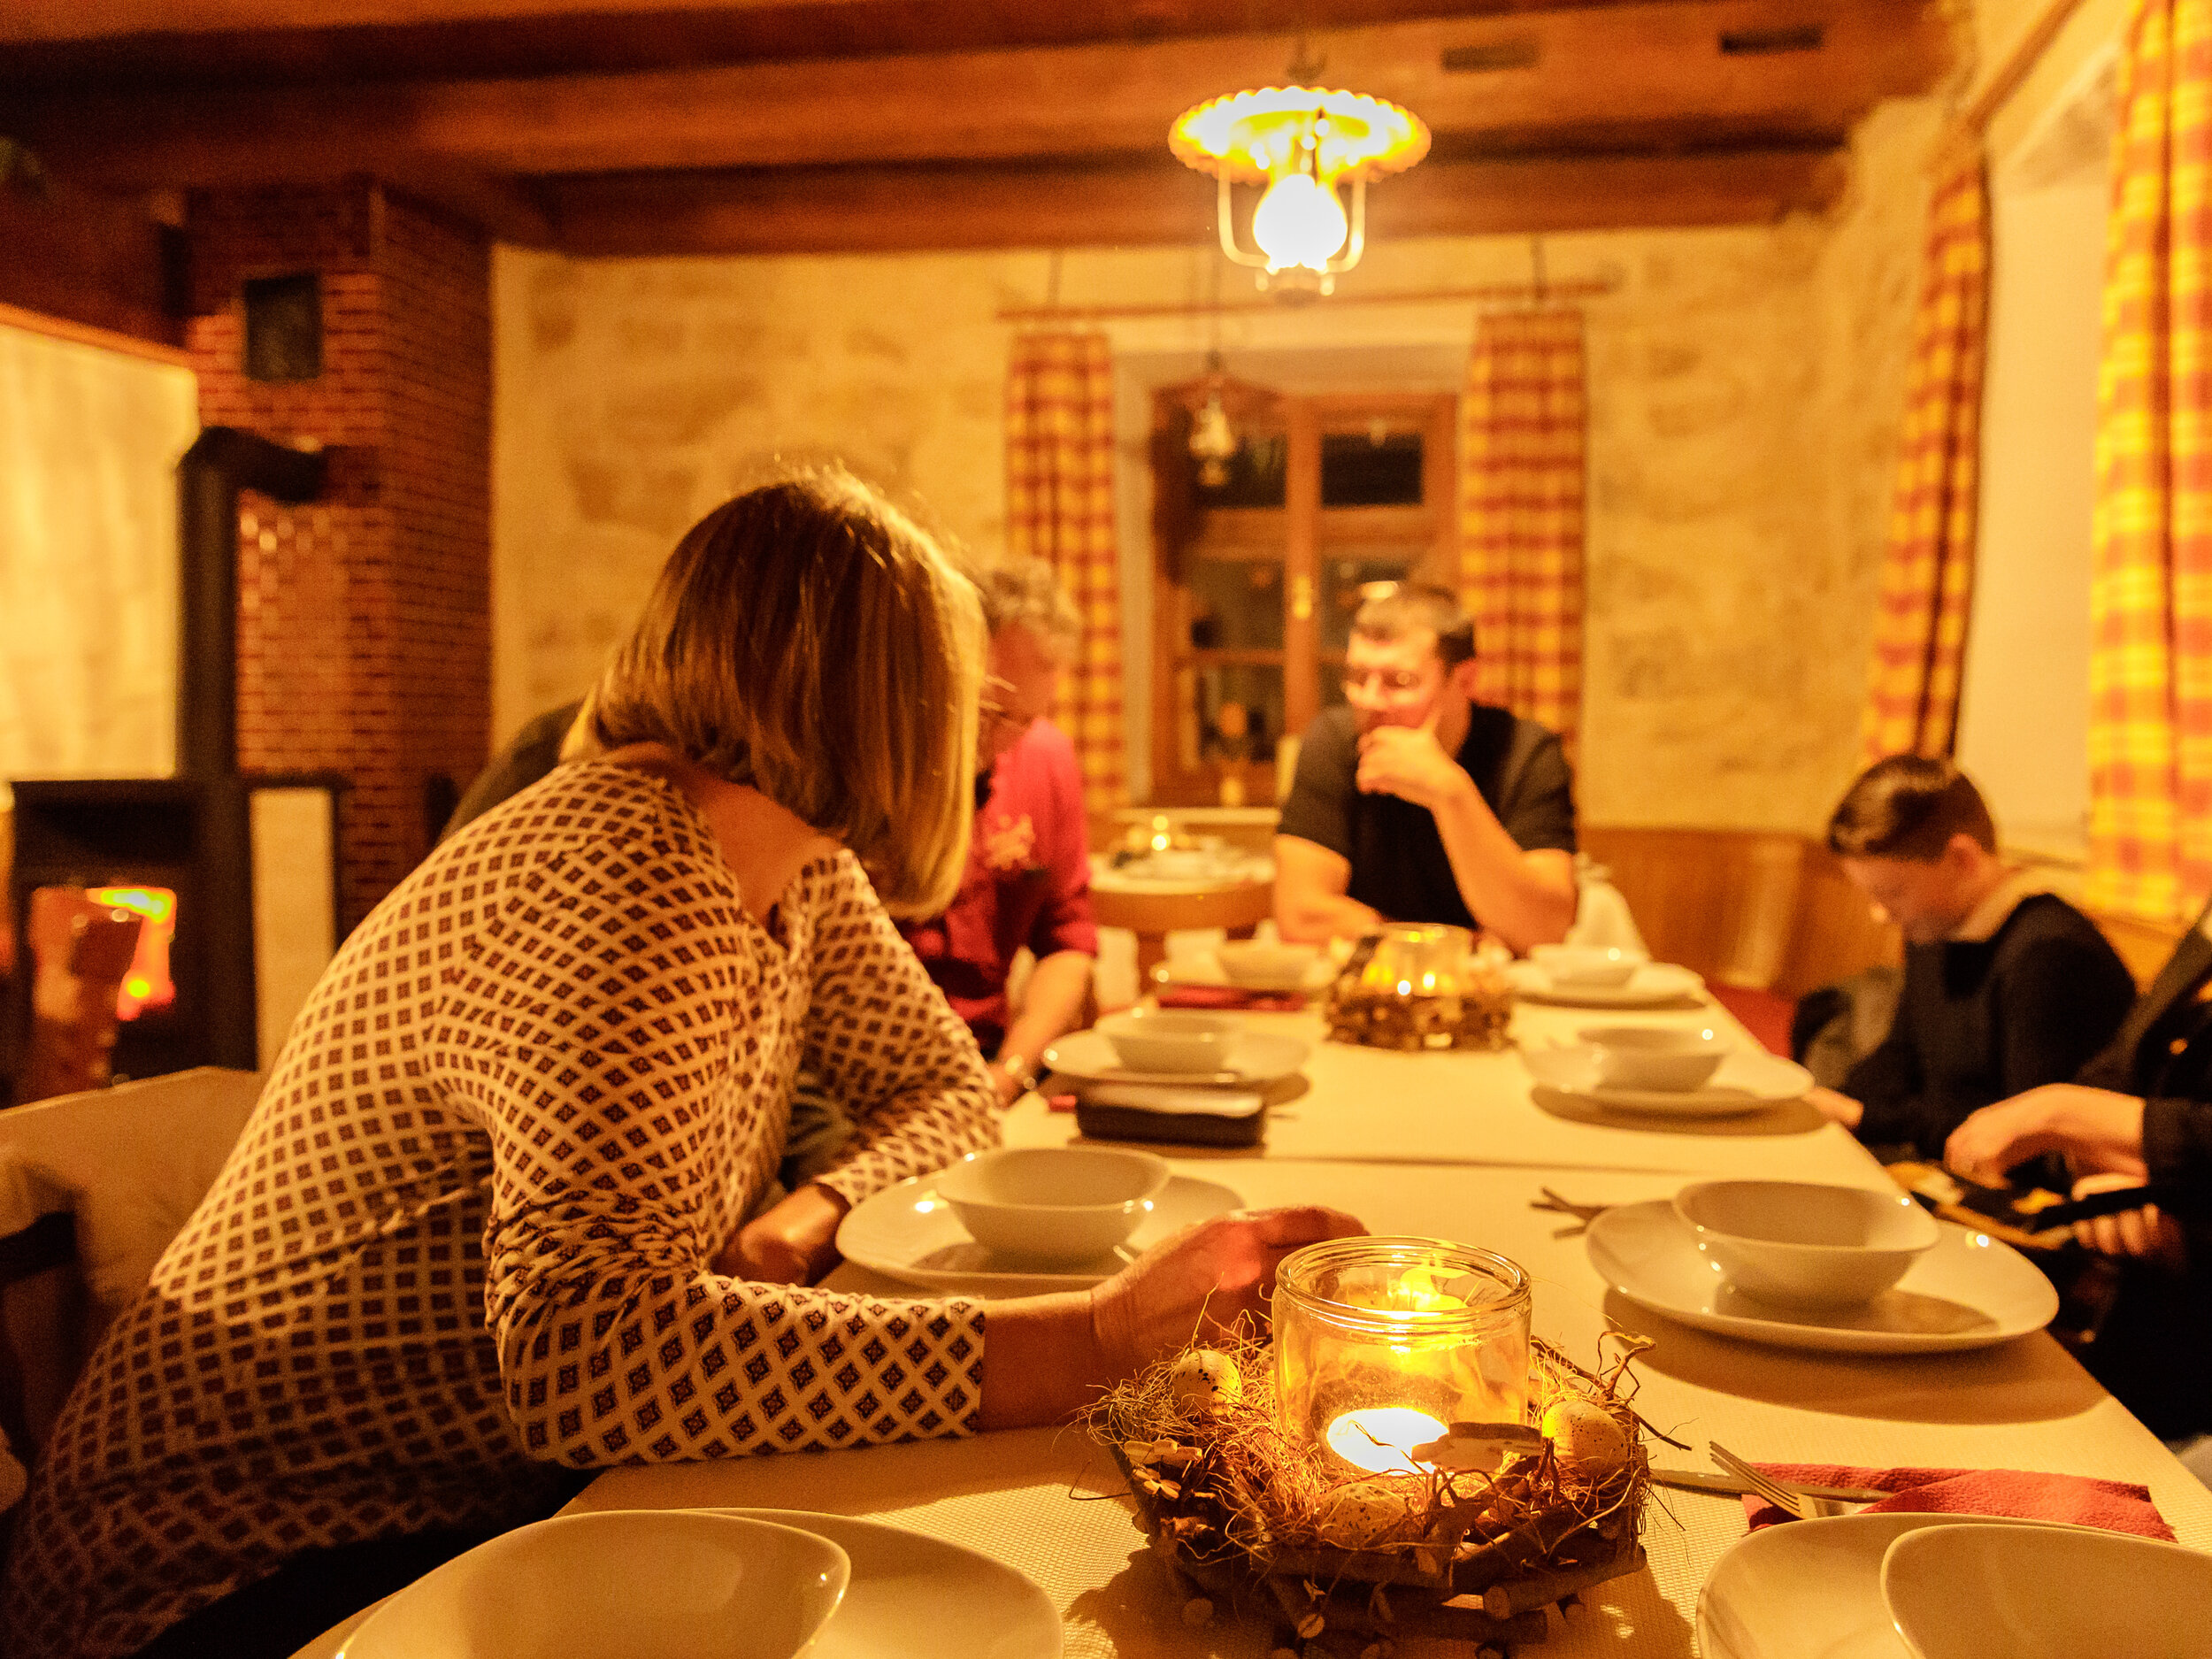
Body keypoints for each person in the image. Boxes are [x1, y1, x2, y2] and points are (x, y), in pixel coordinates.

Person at [3, 472, 1360, 1659]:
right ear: (893, 704)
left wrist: (813, 1211)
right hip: (223, 1579)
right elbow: (588, 1354)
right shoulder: (622, 873)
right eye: (963, 694)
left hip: (463, 1500)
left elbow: (945, 1088)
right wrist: (1086, 1338)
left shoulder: (788, 866)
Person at [1944, 895, 2212, 1441]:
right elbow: (2121, 1063)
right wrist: (2092, 1158)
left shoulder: (2050, 942)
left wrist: (2066, 1113)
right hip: (2139, 1308)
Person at [1803, 756, 2134, 1161]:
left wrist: (1868, 1118)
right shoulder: (1937, 926)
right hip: (1938, 1154)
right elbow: (1903, 1052)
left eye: (1892, 894)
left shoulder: (2050, 956)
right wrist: (1830, 1105)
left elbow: (2025, 1141)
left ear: (1962, 859)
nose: (1880, 914)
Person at [1273, 583, 1578, 953]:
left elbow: (1543, 930)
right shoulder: (1333, 741)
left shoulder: (1527, 752)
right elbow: (1300, 915)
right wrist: (1443, 949)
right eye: (1357, 677)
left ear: (1464, 680)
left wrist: (1449, 792)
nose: (1369, 700)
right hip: (1373, 982)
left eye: (1399, 682)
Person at [898, 558, 1096, 1105]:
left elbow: (1067, 941)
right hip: (865, 1076)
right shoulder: (884, 764)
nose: (1000, 740)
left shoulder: (1047, 757)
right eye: (985, 711)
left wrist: (1010, 1072)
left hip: (988, 1060)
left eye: (1022, 719)